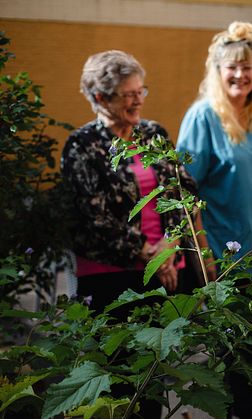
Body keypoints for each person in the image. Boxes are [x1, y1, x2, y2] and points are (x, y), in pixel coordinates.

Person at [61, 49, 205, 418]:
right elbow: (92, 217)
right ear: (99, 98)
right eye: (128, 94)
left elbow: (184, 193)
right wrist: (150, 254)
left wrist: (170, 247)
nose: (138, 99)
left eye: (141, 91)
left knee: (156, 378)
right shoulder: (82, 145)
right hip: (113, 278)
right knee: (118, 380)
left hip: (169, 271)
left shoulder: (153, 133)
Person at [176, 21, 252, 419]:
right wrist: (203, 258)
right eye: (232, 67)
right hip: (223, 257)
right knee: (235, 353)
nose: (240, 75)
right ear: (217, 71)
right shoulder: (203, 118)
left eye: (247, 67)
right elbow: (185, 193)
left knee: (248, 347)